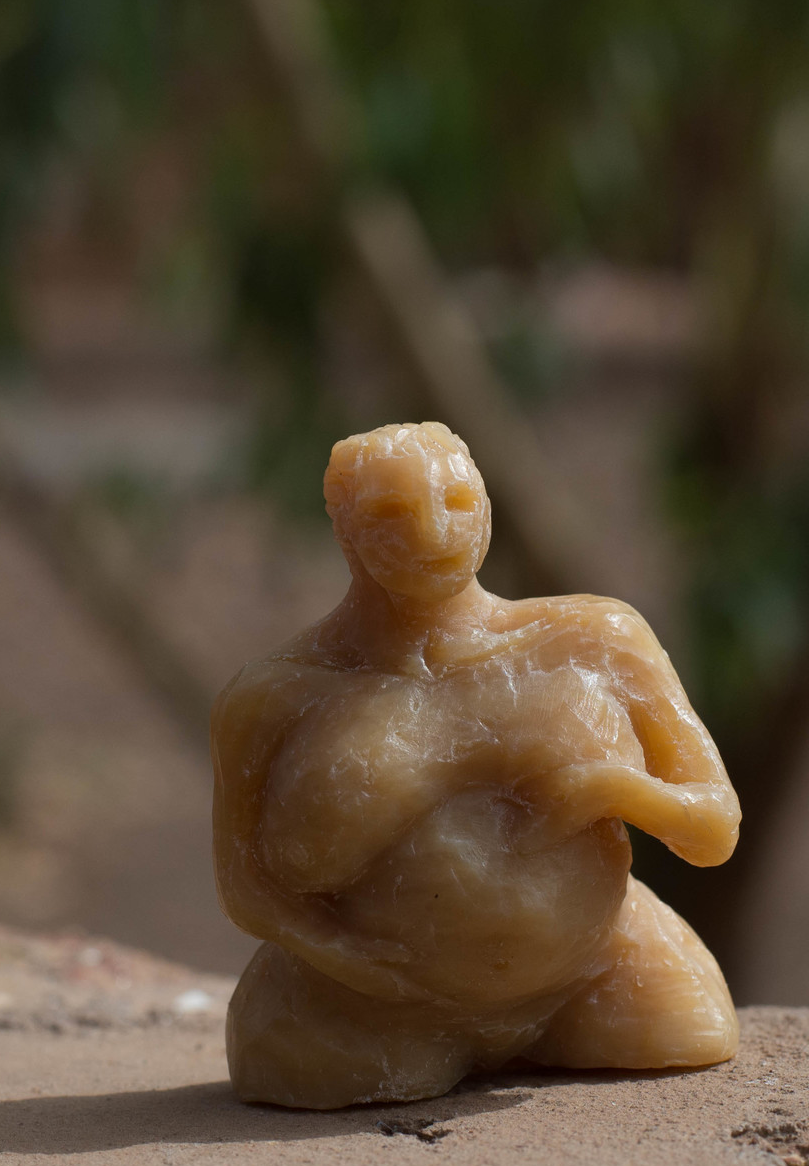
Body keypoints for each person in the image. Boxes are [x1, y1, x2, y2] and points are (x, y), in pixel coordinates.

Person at [212, 421, 741, 1108]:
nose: (434, 532)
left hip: (602, 971)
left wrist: (613, 787)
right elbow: (244, 887)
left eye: (457, 502)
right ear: (345, 529)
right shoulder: (274, 698)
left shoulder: (597, 639)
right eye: (392, 514)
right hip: (363, 1008)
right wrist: (339, 956)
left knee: (688, 1024)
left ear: (487, 508)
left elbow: (715, 825)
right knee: (292, 1064)